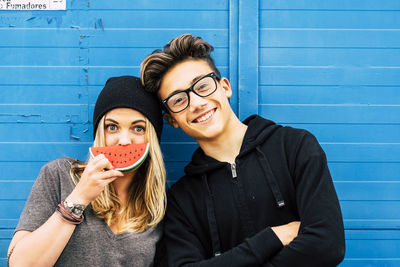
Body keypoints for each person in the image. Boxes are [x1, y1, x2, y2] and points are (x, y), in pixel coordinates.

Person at [140, 34, 345, 266]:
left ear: (224, 87)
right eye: (179, 100)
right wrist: (272, 237)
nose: (196, 102)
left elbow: (328, 244)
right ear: (172, 120)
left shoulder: (295, 147)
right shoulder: (181, 201)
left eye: (203, 86)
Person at [7, 76, 166, 266]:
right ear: (100, 133)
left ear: (153, 139)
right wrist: (79, 198)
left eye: (138, 128)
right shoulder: (59, 175)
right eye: (112, 127)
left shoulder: (158, 206)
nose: (124, 140)